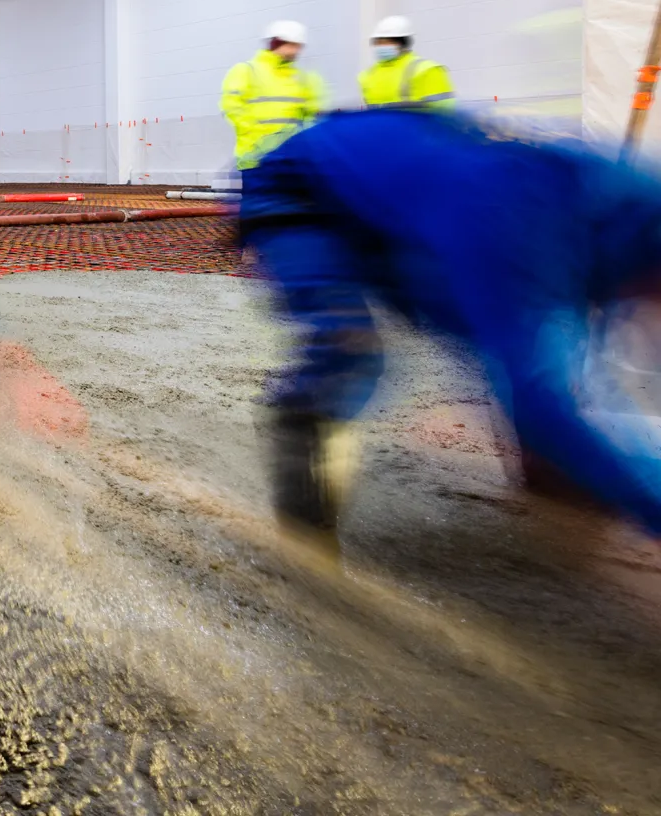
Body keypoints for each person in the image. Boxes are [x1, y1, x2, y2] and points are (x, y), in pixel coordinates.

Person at [242, 108, 661, 558]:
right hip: (301, 192)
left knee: (536, 360)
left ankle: (556, 473)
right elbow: (541, 391)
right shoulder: (523, 229)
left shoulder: (623, 212)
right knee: (350, 351)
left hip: (412, 209)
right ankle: (305, 527)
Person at [221, 19, 325, 172]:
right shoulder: (246, 70)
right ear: (278, 43)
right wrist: (257, 139)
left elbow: (311, 116)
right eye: (293, 45)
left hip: (291, 160)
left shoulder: (302, 78)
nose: (297, 51)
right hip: (255, 159)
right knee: (260, 196)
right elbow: (231, 107)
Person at [359, 15, 455, 108]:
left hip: (417, 125)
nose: (382, 46)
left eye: (387, 41)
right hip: (379, 125)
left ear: (403, 43)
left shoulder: (427, 70)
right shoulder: (367, 75)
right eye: (378, 42)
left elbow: (444, 111)